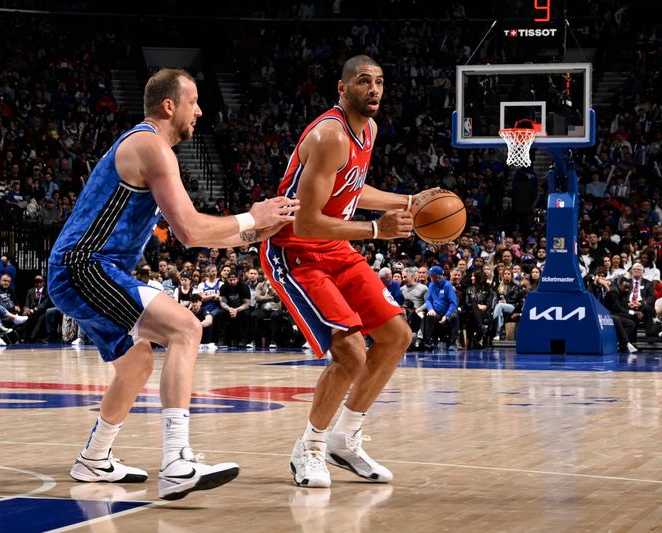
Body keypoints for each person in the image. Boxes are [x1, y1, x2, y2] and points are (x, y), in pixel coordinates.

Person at [47, 68, 297, 500]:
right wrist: (253, 219)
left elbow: (202, 232)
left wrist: (260, 230)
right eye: (193, 102)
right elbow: (190, 231)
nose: (199, 111)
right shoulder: (150, 145)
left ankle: (94, 459)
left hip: (92, 269)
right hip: (84, 266)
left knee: (137, 363)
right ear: (169, 106)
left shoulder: (150, 148)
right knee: (187, 328)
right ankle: (177, 461)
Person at [260, 56, 419, 488]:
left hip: (336, 245)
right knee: (350, 353)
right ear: (342, 88)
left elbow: (351, 187)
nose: (374, 89)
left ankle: (344, 439)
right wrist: (375, 229)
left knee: (396, 335)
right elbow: (306, 222)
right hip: (294, 250)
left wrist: (405, 201)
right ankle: (308, 448)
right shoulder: (330, 134)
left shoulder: (368, 129)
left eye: (380, 82)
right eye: (364, 81)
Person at [422, 265, 460, 351]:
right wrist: (430, 309)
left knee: (454, 317)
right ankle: (429, 341)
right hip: (436, 312)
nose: (430, 276)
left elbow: (453, 304)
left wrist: (446, 315)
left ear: (438, 276)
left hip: (447, 312)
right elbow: (428, 300)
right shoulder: (431, 285)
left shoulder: (447, 285)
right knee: (429, 316)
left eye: (431, 275)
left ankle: (453, 342)